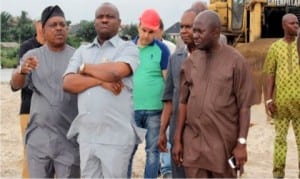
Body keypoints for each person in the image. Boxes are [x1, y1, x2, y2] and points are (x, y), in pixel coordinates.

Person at [63, 2, 145, 178]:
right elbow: (68, 83)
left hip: (115, 138)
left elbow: (117, 72)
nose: (105, 20)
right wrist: (101, 81)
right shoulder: (82, 50)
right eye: (100, 17)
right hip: (87, 136)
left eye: (110, 16)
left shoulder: (128, 48)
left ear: (119, 22)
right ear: (94, 22)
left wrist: (84, 68)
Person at [172, 10, 256, 178]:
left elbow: (244, 107)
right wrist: (178, 139)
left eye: (199, 31)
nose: (194, 35)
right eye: (193, 30)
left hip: (223, 145)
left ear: (216, 32)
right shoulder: (190, 62)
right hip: (194, 144)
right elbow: (183, 102)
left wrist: (241, 143)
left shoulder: (236, 62)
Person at [10, 5, 80, 178]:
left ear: (67, 28)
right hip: (39, 137)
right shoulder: (32, 56)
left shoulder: (78, 57)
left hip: (69, 138)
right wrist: (22, 71)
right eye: (53, 25)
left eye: (62, 25)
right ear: (43, 29)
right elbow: (15, 84)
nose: (58, 28)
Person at [127, 8, 170, 178]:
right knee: (128, 150)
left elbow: (167, 81)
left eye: (151, 32)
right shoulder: (127, 48)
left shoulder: (162, 50)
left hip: (155, 110)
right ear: (138, 27)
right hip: (131, 109)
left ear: (157, 31)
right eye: (144, 30)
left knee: (153, 152)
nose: (146, 35)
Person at [157, 8, 199, 178]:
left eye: (188, 27)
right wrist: (163, 131)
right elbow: (169, 99)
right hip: (178, 134)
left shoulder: (211, 58)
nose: (183, 31)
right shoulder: (176, 58)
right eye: (181, 26)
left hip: (202, 134)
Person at [263, 13, 300, 178]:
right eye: (292, 23)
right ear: (284, 26)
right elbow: (270, 74)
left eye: (297, 23)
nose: (296, 26)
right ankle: (278, 174)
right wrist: (269, 99)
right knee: (280, 141)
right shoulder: (275, 48)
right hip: (281, 105)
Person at [10, 19, 45, 178]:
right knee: (31, 156)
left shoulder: (61, 48)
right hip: (29, 108)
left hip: (56, 111)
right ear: (37, 26)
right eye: (43, 23)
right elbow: (20, 80)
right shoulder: (27, 47)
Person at [154, 18, 176, 178]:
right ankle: (156, 167)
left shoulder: (170, 48)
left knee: (166, 133)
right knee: (153, 137)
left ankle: (167, 169)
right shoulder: (141, 48)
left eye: (153, 30)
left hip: (165, 100)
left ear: (161, 30)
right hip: (149, 102)